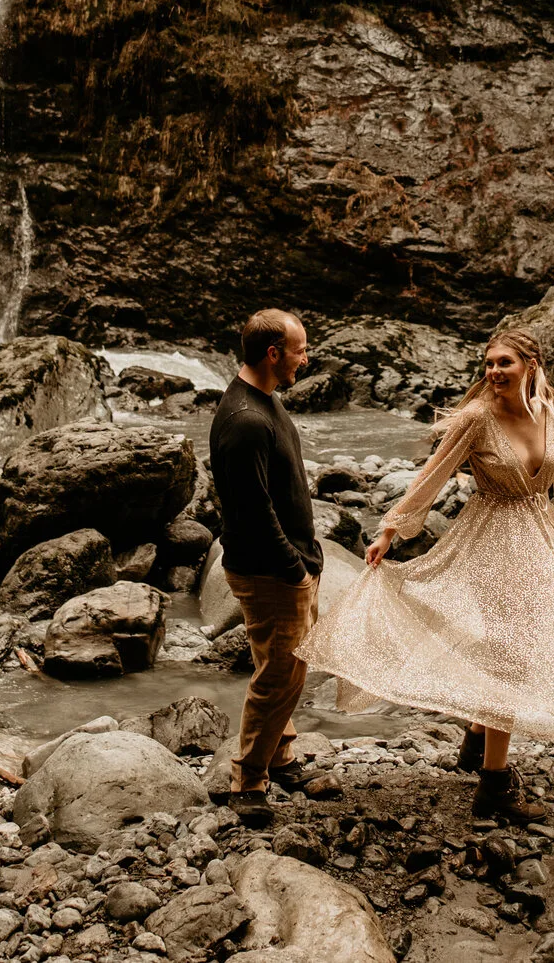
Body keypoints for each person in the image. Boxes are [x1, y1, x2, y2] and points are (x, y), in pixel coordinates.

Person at [298, 328, 554, 822]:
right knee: (508, 654)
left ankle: (477, 737)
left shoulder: (550, 415)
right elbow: (433, 473)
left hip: (538, 538)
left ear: (530, 365)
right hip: (489, 540)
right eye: (489, 363)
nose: (493, 372)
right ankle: (493, 786)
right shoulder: (477, 419)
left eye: (504, 363)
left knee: (526, 643)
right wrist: (391, 530)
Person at [205, 307, 322, 820]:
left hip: (281, 565)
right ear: (273, 353)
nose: (306, 357)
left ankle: (281, 754)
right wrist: (295, 570)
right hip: (271, 570)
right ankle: (248, 780)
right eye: (299, 349)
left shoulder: (263, 401)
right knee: (279, 675)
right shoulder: (246, 420)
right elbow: (253, 512)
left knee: (281, 667)